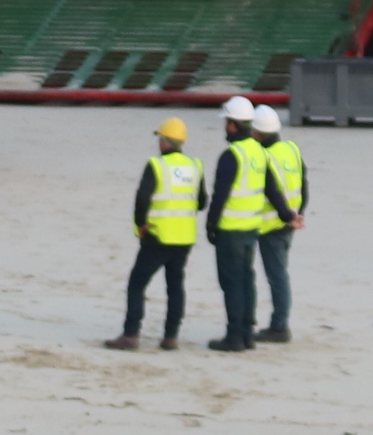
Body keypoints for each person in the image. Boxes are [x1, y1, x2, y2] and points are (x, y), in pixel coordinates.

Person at [104, 115, 205, 351]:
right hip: (185, 237)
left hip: (158, 235)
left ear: (164, 142)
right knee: (175, 285)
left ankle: (131, 334)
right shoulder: (195, 166)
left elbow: (142, 198)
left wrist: (141, 223)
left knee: (137, 283)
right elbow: (201, 202)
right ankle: (171, 336)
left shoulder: (157, 165)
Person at [205, 96, 281, 351]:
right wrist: (289, 215)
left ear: (233, 125)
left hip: (230, 230)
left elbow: (220, 195)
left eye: (227, 122)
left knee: (232, 283)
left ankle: (234, 336)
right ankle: (247, 333)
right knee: (247, 280)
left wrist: (210, 225)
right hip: (251, 228)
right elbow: (272, 189)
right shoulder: (260, 152)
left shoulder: (231, 155)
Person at [250, 104, 306, 344]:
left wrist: (287, 215)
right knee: (279, 273)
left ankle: (280, 326)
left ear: (258, 133)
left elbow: (272, 192)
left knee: (277, 275)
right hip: (290, 224)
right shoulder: (291, 149)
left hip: (271, 225)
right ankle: (279, 323)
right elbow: (304, 184)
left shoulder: (264, 156)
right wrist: (298, 214)